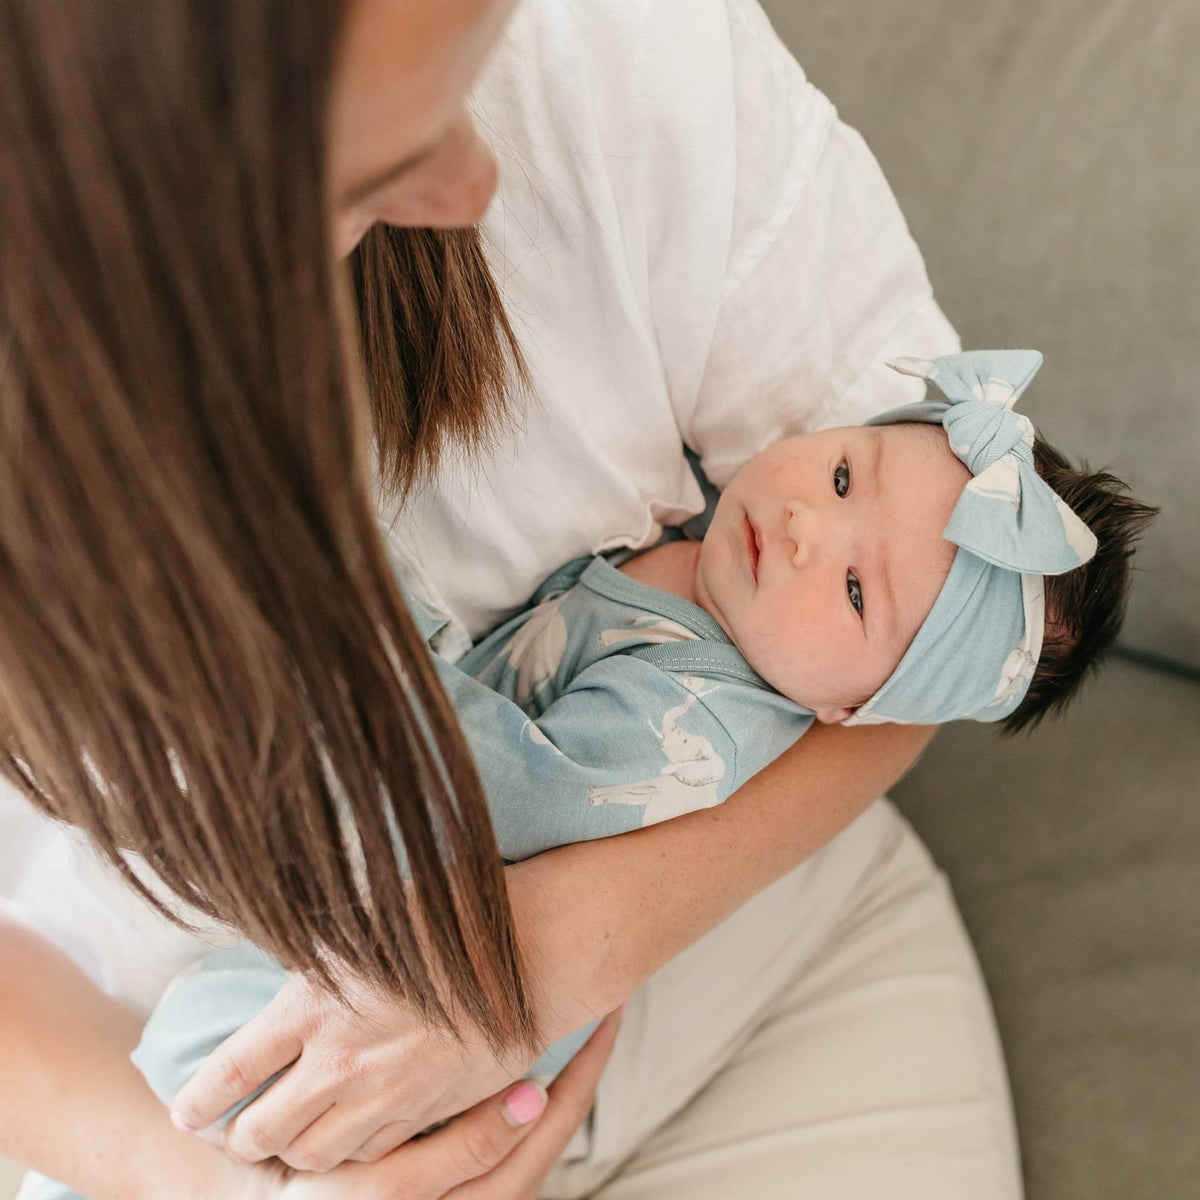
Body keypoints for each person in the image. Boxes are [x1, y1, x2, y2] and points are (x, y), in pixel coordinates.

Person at [0, 2, 1052, 1197]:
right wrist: (227, 1185)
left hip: (754, 959)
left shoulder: (617, 40)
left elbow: (931, 643)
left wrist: (549, 955)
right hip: (222, 1101)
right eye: (378, 155)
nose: (475, 181)